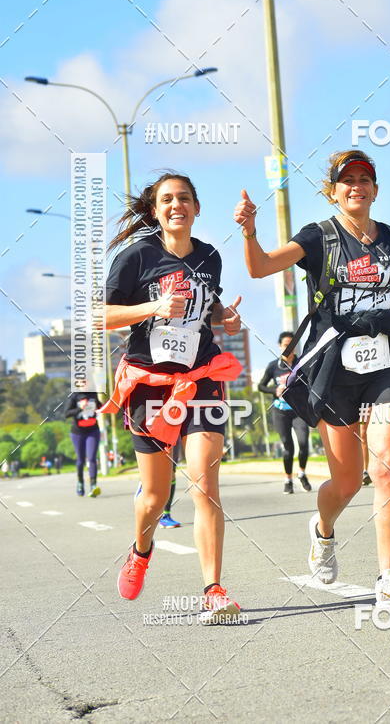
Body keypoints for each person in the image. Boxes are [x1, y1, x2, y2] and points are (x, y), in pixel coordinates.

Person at [234, 150, 390, 606]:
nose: (356, 186)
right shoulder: (319, 237)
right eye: (347, 180)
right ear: (332, 191)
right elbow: (259, 268)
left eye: (364, 179)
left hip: (386, 359)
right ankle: (323, 531)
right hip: (334, 366)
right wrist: (249, 231)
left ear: (375, 190)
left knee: (386, 466)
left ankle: (388, 577)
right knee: (348, 481)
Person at [101, 172, 244, 623]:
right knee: (156, 496)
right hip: (150, 385)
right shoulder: (135, 258)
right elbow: (100, 316)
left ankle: (213, 590)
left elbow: (210, 305)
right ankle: (142, 550)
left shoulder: (210, 256)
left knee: (205, 484)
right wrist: (152, 308)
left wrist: (227, 317)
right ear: (155, 210)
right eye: (167, 199)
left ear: (197, 207)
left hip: (202, 377)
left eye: (184, 198)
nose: (176, 204)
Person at [258, 332, 312, 494]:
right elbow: (261, 386)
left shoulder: (301, 364)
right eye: (285, 344)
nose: (288, 347)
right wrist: (275, 390)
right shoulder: (274, 366)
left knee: (303, 443)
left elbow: (310, 384)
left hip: (299, 410)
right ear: (280, 346)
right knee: (288, 447)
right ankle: (288, 480)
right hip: (280, 411)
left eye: (291, 344)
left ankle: (301, 473)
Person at [64, 392, 102, 496]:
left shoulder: (93, 394)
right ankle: (80, 483)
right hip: (78, 432)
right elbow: (66, 414)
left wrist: (102, 406)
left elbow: (99, 405)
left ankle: (93, 486)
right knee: (80, 460)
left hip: (93, 431)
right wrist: (81, 408)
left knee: (92, 458)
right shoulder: (74, 396)